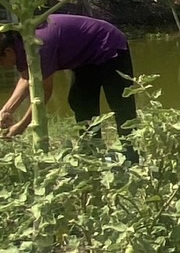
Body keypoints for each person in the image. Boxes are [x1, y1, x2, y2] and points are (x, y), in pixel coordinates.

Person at [0, 15, 137, 153]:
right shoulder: (20, 43)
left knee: (121, 106)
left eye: (0, 62)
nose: (3, 67)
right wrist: (6, 110)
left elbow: (43, 92)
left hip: (109, 45)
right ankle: (92, 154)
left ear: (8, 51)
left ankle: (131, 157)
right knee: (81, 103)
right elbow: (27, 78)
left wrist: (20, 127)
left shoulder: (38, 45)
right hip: (85, 57)